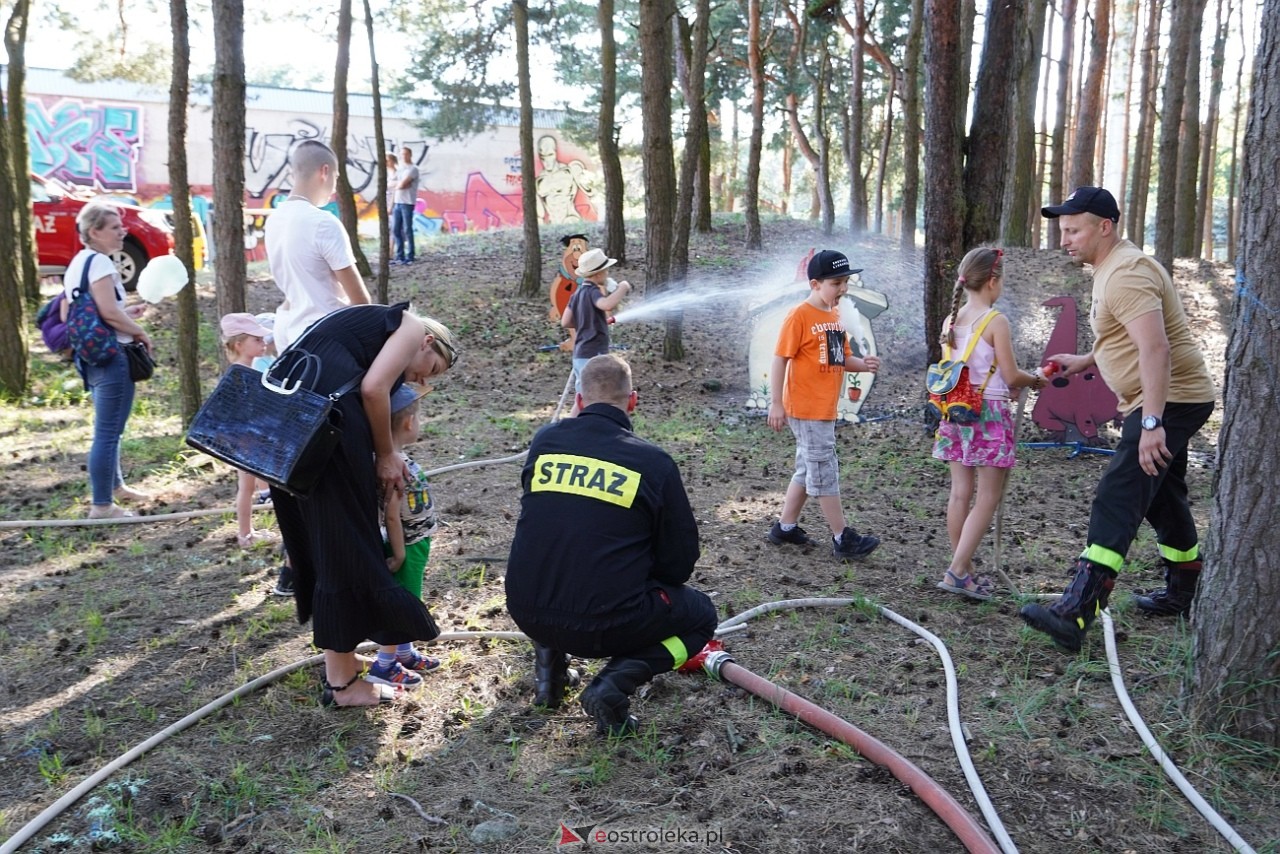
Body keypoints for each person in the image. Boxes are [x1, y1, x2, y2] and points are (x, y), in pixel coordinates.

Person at [1020, 187, 1216, 652]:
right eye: (1061, 229)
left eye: (1073, 230)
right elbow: (1128, 338)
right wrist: (1086, 360)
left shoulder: (1125, 274)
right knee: (1162, 497)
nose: (1063, 239)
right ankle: (1185, 591)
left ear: (1104, 227)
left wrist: (1151, 425)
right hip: (1167, 400)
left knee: (1118, 494)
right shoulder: (1113, 267)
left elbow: (1155, 348)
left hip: (1171, 401)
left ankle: (1077, 611)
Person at [505, 354, 718, 736]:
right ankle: (613, 684)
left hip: (527, 608)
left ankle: (548, 681)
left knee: (556, 554)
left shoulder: (545, 441)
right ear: (632, 401)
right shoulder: (653, 463)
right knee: (701, 617)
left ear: (580, 401)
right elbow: (679, 560)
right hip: (608, 624)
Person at [268, 302, 458, 707]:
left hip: (291, 426)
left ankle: (343, 662)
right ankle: (342, 685)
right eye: (431, 368)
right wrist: (387, 455)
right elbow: (373, 389)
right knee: (343, 547)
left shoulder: (373, 326)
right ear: (428, 342)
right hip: (322, 434)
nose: (421, 379)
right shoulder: (407, 326)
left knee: (325, 545)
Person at [931, 248, 1048, 600]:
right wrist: (1037, 380)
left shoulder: (950, 321)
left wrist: (1004, 383)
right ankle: (956, 571)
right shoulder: (995, 321)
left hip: (956, 413)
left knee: (959, 493)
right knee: (988, 496)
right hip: (989, 415)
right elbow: (1011, 374)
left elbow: (964, 372)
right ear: (993, 281)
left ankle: (963, 569)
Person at [765, 249, 882, 560]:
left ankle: (785, 528)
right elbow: (779, 360)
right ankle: (843, 538)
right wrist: (776, 403)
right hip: (806, 409)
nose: (842, 288)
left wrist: (864, 364)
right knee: (824, 470)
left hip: (823, 409)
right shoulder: (799, 316)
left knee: (808, 468)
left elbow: (840, 358)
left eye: (845, 282)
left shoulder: (834, 316)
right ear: (815, 284)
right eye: (836, 283)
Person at [60, 202, 153, 519]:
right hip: (112, 355)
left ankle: (115, 487)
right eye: (114, 227)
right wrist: (139, 331)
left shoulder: (78, 263)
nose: (122, 231)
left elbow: (76, 312)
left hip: (92, 356)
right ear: (94, 232)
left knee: (110, 427)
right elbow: (108, 312)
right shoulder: (100, 262)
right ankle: (101, 505)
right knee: (108, 432)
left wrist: (126, 315)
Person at [366, 383, 443, 689]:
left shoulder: (391, 461)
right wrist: (398, 554)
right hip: (408, 546)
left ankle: (404, 652)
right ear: (410, 423)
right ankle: (384, 665)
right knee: (404, 603)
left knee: (410, 599)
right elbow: (392, 515)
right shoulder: (398, 468)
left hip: (415, 543)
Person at [265, 139, 371, 352]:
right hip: (328, 340)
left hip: (289, 336)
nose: (334, 186)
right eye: (336, 177)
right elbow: (361, 302)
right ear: (325, 171)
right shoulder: (323, 223)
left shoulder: (273, 221)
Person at [220, 313, 281, 549]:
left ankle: (247, 533)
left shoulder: (250, 370)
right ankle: (245, 535)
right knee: (246, 487)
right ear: (239, 345)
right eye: (256, 340)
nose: (263, 342)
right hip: (247, 442)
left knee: (251, 486)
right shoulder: (239, 375)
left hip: (255, 438)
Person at [561, 247, 631, 412]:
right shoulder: (593, 292)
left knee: (583, 397)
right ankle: (575, 429)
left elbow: (565, 321)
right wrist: (623, 287)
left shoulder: (577, 294)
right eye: (606, 271)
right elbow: (606, 304)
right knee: (593, 397)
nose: (607, 274)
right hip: (593, 355)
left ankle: (576, 429)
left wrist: (590, 323)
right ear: (598, 274)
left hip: (580, 355)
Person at [392, 146, 420, 265]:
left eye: (405, 154)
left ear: (410, 155)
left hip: (407, 202)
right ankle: (400, 255)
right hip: (397, 202)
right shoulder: (400, 169)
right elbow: (390, 184)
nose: (403, 156)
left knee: (408, 229)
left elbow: (403, 185)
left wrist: (399, 184)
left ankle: (411, 255)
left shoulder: (413, 169)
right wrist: (398, 184)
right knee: (396, 229)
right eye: (402, 154)